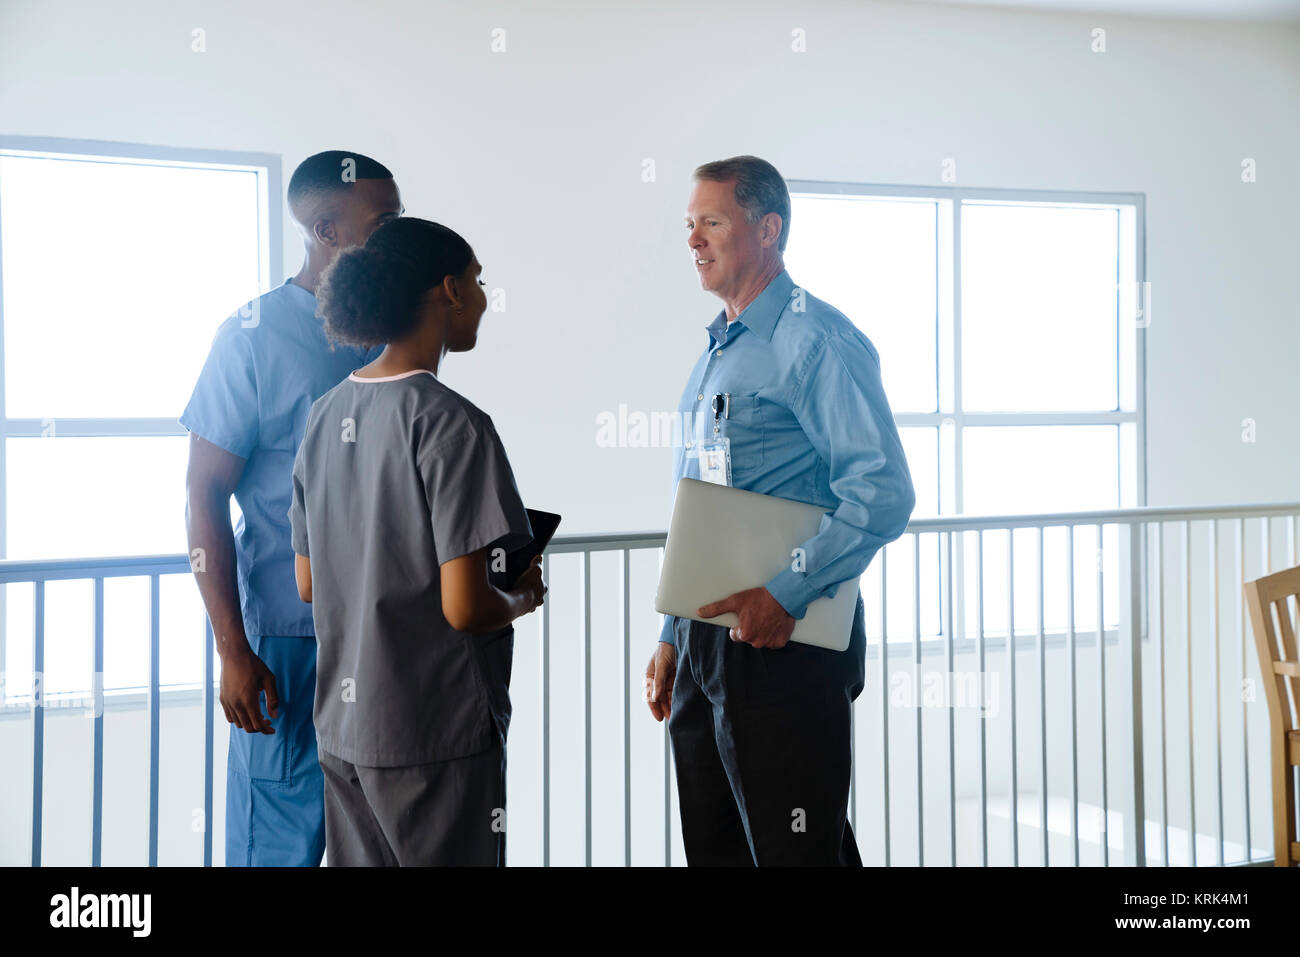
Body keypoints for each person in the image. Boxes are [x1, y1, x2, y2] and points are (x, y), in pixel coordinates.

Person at [643, 155, 916, 866]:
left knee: (797, 854)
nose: (694, 239)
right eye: (689, 225)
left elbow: (882, 488)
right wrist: (675, 631)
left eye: (712, 222)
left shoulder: (816, 341)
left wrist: (785, 592)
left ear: (768, 228)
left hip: (783, 643)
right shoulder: (716, 352)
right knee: (719, 849)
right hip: (709, 641)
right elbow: (697, 499)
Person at [288, 217, 546, 867]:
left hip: (345, 734)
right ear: (449, 290)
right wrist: (521, 597)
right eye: (479, 281)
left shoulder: (326, 414)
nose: (485, 298)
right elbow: (466, 607)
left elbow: (309, 583)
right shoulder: (454, 425)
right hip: (433, 737)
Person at [182, 150, 401, 866]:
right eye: (385, 220)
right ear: (327, 229)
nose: (400, 234)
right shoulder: (251, 336)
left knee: (376, 838)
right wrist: (232, 649)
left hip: (381, 639)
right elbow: (204, 492)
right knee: (281, 844)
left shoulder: (395, 333)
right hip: (284, 643)